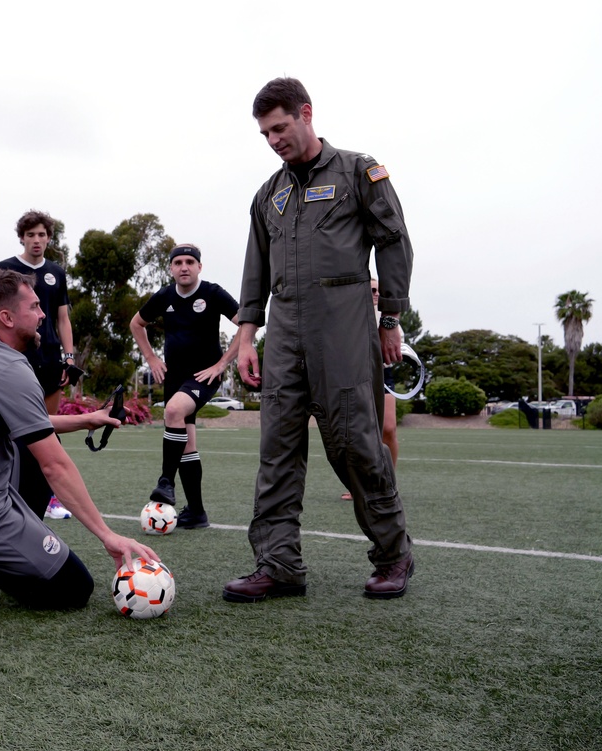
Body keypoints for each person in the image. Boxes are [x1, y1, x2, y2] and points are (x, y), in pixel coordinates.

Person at [224, 77, 415, 603]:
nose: (273, 140)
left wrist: (390, 318)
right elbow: (254, 271)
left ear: (307, 114)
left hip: (344, 325)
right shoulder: (269, 194)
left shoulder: (359, 171)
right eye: (265, 133)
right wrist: (245, 338)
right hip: (284, 331)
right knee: (277, 448)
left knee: (355, 443)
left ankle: (393, 554)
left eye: (280, 128)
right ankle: (278, 564)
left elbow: (394, 244)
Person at [0, 269, 159, 614]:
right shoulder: (8, 367)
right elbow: (54, 465)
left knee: (32, 444)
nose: (43, 316)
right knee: (73, 589)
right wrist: (107, 535)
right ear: (7, 317)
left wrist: (88, 418)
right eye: (36, 307)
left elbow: (26, 422)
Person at [130, 243, 241, 529]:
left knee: (173, 410)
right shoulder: (165, 296)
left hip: (204, 376)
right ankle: (197, 513)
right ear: (171, 268)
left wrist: (222, 364)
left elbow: (246, 324)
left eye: (190, 262)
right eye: (178, 262)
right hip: (174, 377)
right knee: (186, 444)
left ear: (199, 267)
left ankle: (166, 481)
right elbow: (136, 323)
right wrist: (151, 357)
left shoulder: (213, 293)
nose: (184, 267)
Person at [0, 210, 75, 520]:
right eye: (31, 235)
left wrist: (69, 357)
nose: (37, 240)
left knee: (47, 431)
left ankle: (49, 498)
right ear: (22, 238)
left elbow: (63, 318)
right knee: (12, 431)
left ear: (49, 238)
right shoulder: (5, 269)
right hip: (16, 359)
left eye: (42, 234)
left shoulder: (57, 272)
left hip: (50, 360)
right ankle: (4, 491)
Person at [342, 279, 399, 500]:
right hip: (355, 374)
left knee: (389, 428)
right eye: (372, 290)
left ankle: (389, 482)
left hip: (383, 373)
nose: (377, 294)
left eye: (379, 291)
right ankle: (360, 485)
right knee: (358, 432)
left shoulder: (388, 318)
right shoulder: (350, 314)